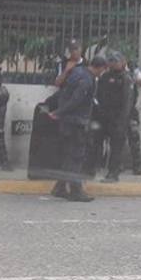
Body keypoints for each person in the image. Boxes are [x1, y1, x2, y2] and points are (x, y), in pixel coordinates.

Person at [48, 54, 107, 202]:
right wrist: (58, 112)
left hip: (68, 122)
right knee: (77, 157)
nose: (102, 73)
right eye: (103, 70)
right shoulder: (87, 80)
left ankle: (60, 187)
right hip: (76, 123)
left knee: (69, 156)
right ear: (99, 68)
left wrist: (59, 111)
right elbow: (76, 100)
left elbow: (63, 91)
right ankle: (76, 190)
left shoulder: (77, 71)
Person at [88, 51, 133, 183]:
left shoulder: (126, 78)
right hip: (103, 117)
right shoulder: (105, 77)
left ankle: (113, 173)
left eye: (116, 61)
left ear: (123, 62)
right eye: (111, 61)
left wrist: (122, 122)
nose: (113, 63)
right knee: (96, 144)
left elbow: (127, 102)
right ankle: (91, 169)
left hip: (118, 119)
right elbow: (97, 95)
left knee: (116, 147)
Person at [126, 59, 141, 175]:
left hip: (131, 109)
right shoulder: (112, 69)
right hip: (117, 110)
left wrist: (132, 78)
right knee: (117, 139)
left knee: (134, 137)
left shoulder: (133, 69)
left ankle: (137, 165)